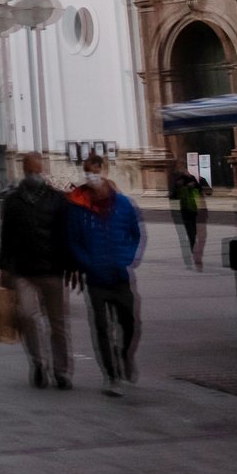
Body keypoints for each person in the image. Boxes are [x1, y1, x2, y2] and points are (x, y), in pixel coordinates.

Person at [0, 152, 74, 389]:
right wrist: (3, 267)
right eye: (30, 171)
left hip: (52, 269)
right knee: (27, 316)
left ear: (43, 170)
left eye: (37, 171)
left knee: (57, 323)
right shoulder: (12, 200)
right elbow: (5, 235)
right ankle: (39, 363)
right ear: (24, 170)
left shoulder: (57, 199)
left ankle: (62, 371)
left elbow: (66, 235)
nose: (33, 175)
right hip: (23, 269)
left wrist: (70, 265)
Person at [65, 155, 143, 397]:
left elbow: (135, 233)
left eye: (96, 172)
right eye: (88, 173)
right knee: (101, 327)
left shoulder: (122, 203)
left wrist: (126, 258)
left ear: (105, 172)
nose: (92, 177)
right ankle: (111, 375)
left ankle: (124, 355)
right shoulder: (78, 206)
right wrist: (86, 263)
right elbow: (73, 239)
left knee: (129, 323)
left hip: (119, 275)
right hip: (96, 279)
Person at [171, 170, 209, 270]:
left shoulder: (194, 184)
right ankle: (193, 250)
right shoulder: (182, 185)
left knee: (193, 233)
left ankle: (193, 249)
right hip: (190, 212)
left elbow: (206, 191)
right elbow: (173, 196)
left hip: (194, 212)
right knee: (192, 233)